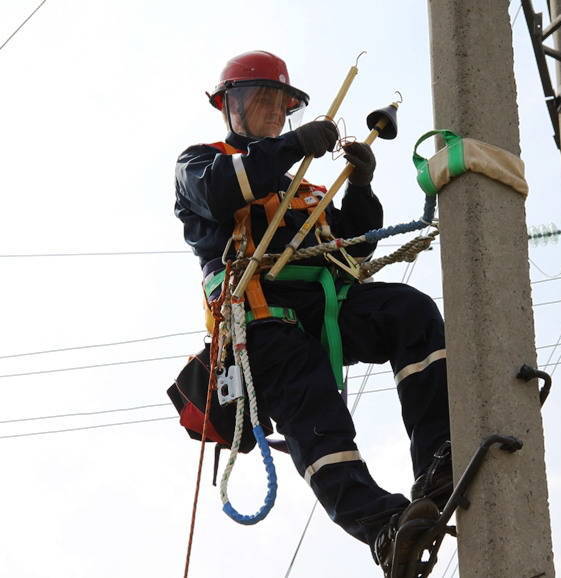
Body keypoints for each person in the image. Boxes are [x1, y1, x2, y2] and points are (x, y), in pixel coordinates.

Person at [173, 50, 453, 574]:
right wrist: (289, 147)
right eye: (262, 102)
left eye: (282, 105)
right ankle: (383, 527)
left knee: (408, 312)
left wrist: (363, 186)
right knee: (315, 410)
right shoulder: (200, 163)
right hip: (260, 317)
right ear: (229, 105)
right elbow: (219, 191)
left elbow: (356, 248)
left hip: (324, 301)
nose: (274, 113)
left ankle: (439, 459)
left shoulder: (298, 184)